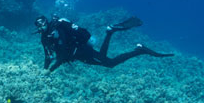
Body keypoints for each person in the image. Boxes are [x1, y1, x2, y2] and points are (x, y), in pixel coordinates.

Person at [35, 15, 174, 72]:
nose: (40, 28)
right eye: (38, 26)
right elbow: (47, 56)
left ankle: (138, 49)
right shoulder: (44, 38)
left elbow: (63, 54)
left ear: (46, 22)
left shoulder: (58, 30)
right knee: (106, 61)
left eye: (42, 24)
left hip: (82, 51)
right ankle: (113, 34)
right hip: (78, 55)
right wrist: (44, 70)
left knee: (109, 63)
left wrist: (50, 71)